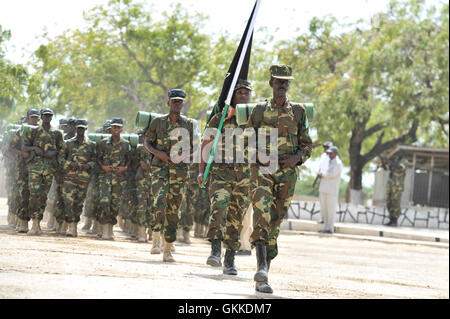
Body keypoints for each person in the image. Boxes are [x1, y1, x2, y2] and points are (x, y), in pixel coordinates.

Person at [247, 64, 312, 293]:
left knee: (275, 220)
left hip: (287, 173)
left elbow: (307, 145)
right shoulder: (258, 111)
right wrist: (257, 155)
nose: (282, 85)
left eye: (286, 81)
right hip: (263, 171)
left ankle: (265, 270)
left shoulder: (299, 112)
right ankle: (261, 270)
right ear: (271, 83)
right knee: (261, 215)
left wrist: (297, 158)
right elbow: (246, 141)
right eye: (278, 80)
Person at [198, 79, 252, 275]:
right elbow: (205, 145)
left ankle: (230, 259)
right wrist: (201, 171)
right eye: (240, 92)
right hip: (221, 173)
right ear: (233, 95)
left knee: (236, 219)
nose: (244, 95)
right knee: (218, 210)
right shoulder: (219, 119)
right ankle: (215, 250)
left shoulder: (255, 118)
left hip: (244, 177)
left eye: (247, 93)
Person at [145, 89, 194, 262]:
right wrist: (159, 154)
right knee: (159, 202)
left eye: (180, 101)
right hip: (160, 169)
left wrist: (185, 156)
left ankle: (168, 249)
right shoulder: (158, 123)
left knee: (174, 209)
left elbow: (192, 148)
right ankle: (155, 240)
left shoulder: (188, 124)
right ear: (169, 103)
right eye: (174, 101)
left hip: (180, 172)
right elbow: (147, 142)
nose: (177, 104)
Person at [22, 108, 64, 236]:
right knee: (34, 194)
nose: (47, 117)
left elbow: (62, 149)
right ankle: (34, 223)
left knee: (42, 196)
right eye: (45, 116)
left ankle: (38, 222)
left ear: (52, 117)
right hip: (34, 168)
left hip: (48, 169)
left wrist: (54, 152)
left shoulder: (56, 133)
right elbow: (24, 147)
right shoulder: (33, 131)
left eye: (49, 116)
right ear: (41, 117)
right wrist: (34, 148)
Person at [58, 119, 96, 237]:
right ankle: (70, 225)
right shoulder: (68, 143)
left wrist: (88, 165)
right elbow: (60, 158)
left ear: (85, 129)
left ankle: (74, 225)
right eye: (78, 128)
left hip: (83, 179)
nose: (80, 130)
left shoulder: (91, 144)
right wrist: (69, 164)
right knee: (68, 201)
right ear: (76, 129)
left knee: (78, 203)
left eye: (82, 128)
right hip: (69, 177)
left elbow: (95, 160)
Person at [96, 118, 131, 240]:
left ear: (121, 129)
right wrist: (103, 167)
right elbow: (98, 157)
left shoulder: (126, 144)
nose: (116, 129)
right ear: (111, 128)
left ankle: (110, 229)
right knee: (105, 202)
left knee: (115, 204)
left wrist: (125, 168)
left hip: (119, 178)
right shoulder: (103, 143)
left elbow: (129, 158)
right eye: (114, 127)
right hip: (105, 177)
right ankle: (105, 229)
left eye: (118, 127)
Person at [8, 110, 40, 233]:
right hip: (23, 169)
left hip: (37, 169)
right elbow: (10, 148)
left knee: (36, 195)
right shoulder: (20, 132)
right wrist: (22, 153)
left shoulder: (41, 132)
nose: (35, 120)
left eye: (36, 118)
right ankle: (22, 222)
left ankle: (35, 224)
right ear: (28, 118)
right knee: (23, 194)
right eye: (32, 118)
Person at [318, 146, 342, 234]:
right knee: (324, 210)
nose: (329, 154)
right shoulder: (327, 161)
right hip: (324, 188)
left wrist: (322, 175)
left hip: (332, 191)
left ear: (335, 153)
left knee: (330, 210)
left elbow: (332, 174)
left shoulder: (338, 163)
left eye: (331, 153)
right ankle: (325, 228)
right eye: (328, 153)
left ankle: (330, 228)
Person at [381, 151, 408, 226]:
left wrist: (388, 160)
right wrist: (383, 162)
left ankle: (395, 220)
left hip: (397, 186)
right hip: (391, 185)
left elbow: (399, 167)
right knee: (389, 202)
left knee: (395, 202)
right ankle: (391, 219)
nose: (398, 154)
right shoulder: (395, 161)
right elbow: (386, 168)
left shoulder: (404, 161)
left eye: (400, 153)